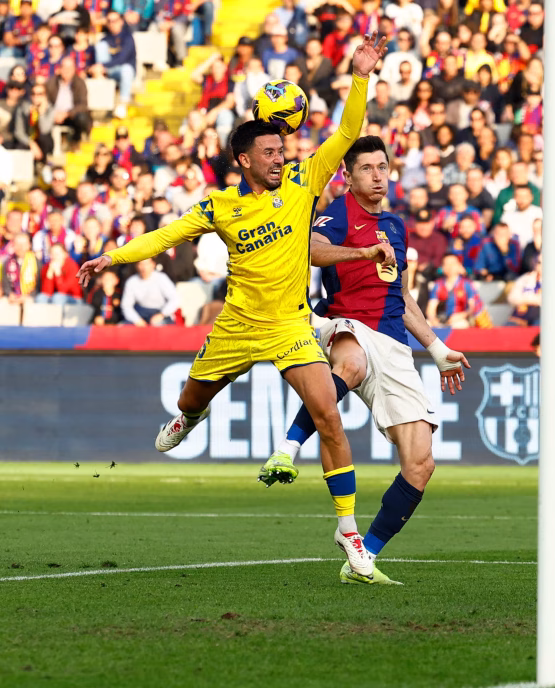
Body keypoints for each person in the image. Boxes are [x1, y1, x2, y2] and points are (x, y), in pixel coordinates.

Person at [77, 32, 389, 582]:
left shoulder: (305, 181)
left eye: (282, 150)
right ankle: (189, 418)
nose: (280, 158)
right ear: (243, 159)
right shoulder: (219, 205)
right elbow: (166, 235)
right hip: (237, 326)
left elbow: (346, 132)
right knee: (189, 397)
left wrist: (361, 76)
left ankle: (348, 530)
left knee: (329, 415)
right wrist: (114, 256)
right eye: (269, 152)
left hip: (291, 324)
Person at [262, 135, 471, 585]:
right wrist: (362, 251)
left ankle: (362, 555)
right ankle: (287, 448)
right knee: (350, 365)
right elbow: (310, 250)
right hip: (345, 322)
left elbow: (403, 296)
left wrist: (437, 349)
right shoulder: (339, 211)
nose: (377, 175)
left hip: (394, 344)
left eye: (383, 167)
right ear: (348, 176)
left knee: (421, 463)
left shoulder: (396, 224)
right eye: (366, 169)